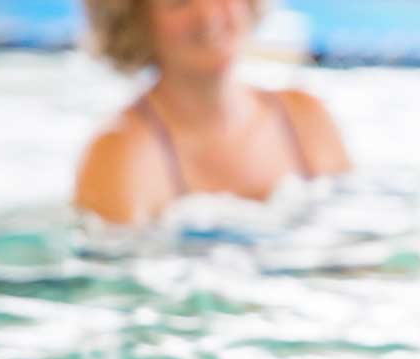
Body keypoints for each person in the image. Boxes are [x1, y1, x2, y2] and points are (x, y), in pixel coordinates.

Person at [74, 0, 350, 226]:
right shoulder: (120, 156)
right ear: (138, 21)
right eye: (179, 3)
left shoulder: (306, 119)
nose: (208, 14)